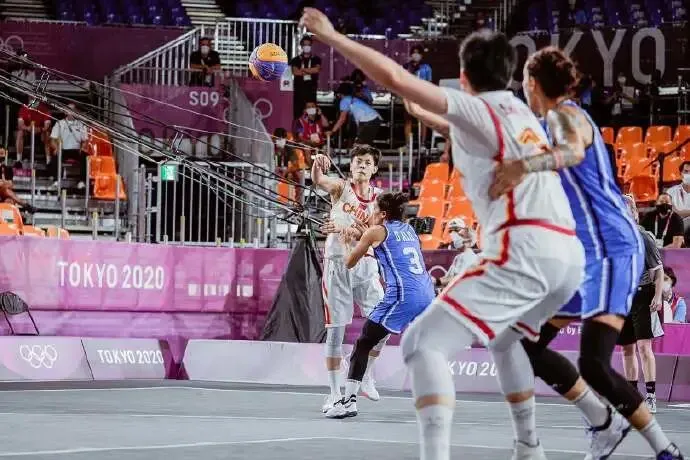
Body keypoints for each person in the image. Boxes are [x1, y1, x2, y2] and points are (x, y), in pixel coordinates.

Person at [301, 11, 585, 460]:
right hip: (568, 255)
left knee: (421, 344)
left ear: (464, 78)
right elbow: (453, 126)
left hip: (523, 251)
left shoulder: (480, 106)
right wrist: (418, 110)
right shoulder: (520, 114)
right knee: (508, 342)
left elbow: (395, 77)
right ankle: (563, 433)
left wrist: (331, 35)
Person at [491, 46, 683, 460]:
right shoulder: (546, 125)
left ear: (535, 83)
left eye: (524, 79)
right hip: (583, 256)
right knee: (525, 343)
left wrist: (523, 168)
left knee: (593, 362)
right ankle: (604, 423)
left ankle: (664, 450)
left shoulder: (566, 115)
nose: (521, 86)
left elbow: (573, 153)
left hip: (612, 248)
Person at [325, 192, 435, 419]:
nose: (370, 213)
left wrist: (345, 243)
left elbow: (349, 262)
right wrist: (364, 234)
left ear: (383, 214)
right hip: (426, 293)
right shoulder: (409, 230)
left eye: (374, 210)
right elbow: (386, 247)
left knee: (363, 343)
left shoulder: (376, 231)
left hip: (403, 295)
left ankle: (348, 402)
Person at [313, 145, 387, 413]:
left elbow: (377, 234)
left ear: (374, 168)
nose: (362, 166)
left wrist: (349, 229)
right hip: (338, 265)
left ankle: (365, 373)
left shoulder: (380, 200)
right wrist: (317, 163)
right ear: (351, 166)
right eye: (358, 161)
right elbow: (319, 179)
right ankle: (334, 394)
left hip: (366, 266)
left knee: (384, 325)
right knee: (335, 332)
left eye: (367, 162)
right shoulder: (341, 188)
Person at [617, 194, 665, 414]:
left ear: (634, 213)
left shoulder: (643, 237)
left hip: (643, 295)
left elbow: (659, 270)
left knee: (644, 347)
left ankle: (651, 396)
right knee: (627, 349)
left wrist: (657, 296)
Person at [49, 103, 88, 189]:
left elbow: (85, 140)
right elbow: (52, 140)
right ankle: (56, 181)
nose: (71, 112)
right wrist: (56, 148)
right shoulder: (59, 123)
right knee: (55, 156)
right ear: (65, 112)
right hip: (63, 149)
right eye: (69, 110)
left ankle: (82, 181)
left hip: (76, 150)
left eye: (73, 110)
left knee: (85, 157)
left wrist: (83, 148)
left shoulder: (81, 125)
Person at [435, 218, 479, 289]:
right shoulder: (457, 256)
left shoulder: (470, 256)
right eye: (450, 231)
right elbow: (448, 278)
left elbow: (459, 279)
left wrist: (437, 281)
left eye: (456, 230)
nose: (453, 234)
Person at [403, 46, 433, 147]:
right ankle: (408, 144)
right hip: (409, 96)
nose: (415, 55)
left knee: (422, 120)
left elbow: (429, 83)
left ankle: (423, 144)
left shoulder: (426, 67)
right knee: (408, 120)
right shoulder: (407, 66)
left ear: (421, 55)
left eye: (418, 53)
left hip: (422, 97)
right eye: (414, 52)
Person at [290, 35, 321, 120]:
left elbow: (316, 70)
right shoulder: (296, 60)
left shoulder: (316, 59)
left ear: (311, 46)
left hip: (311, 91)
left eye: (309, 45)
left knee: (311, 114)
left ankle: (311, 127)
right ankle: (298, 128)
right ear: (301, 46)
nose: (307, 47)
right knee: (298, 114)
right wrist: (310, 70)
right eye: (305, 45)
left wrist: (303, 70)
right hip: (299, 92)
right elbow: (295, 72)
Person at [273, 128, 303, 203]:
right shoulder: (270, 147)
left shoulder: (289, 148)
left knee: (296, 175)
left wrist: (287, 170)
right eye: (278, 138)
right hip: (273, 171)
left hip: (286, 171)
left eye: (282, 138)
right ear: (275, 139)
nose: (280, 140)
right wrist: (275, 168)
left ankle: (296, 201)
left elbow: (295, 164)